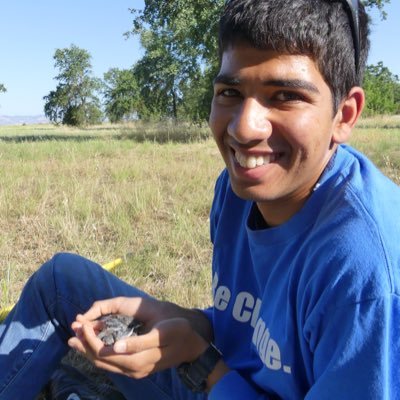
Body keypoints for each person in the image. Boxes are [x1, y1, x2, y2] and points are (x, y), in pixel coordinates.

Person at [1, 0, 399, 398]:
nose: (244, 128)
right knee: (60, 280)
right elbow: (252, 331)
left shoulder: (365, 273)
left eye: (284, 96)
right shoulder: (237, 189)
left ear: (344, 116)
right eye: (230, 91)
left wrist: (201, 361)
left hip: (216, 380)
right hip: (218, 378)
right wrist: (187, 322)